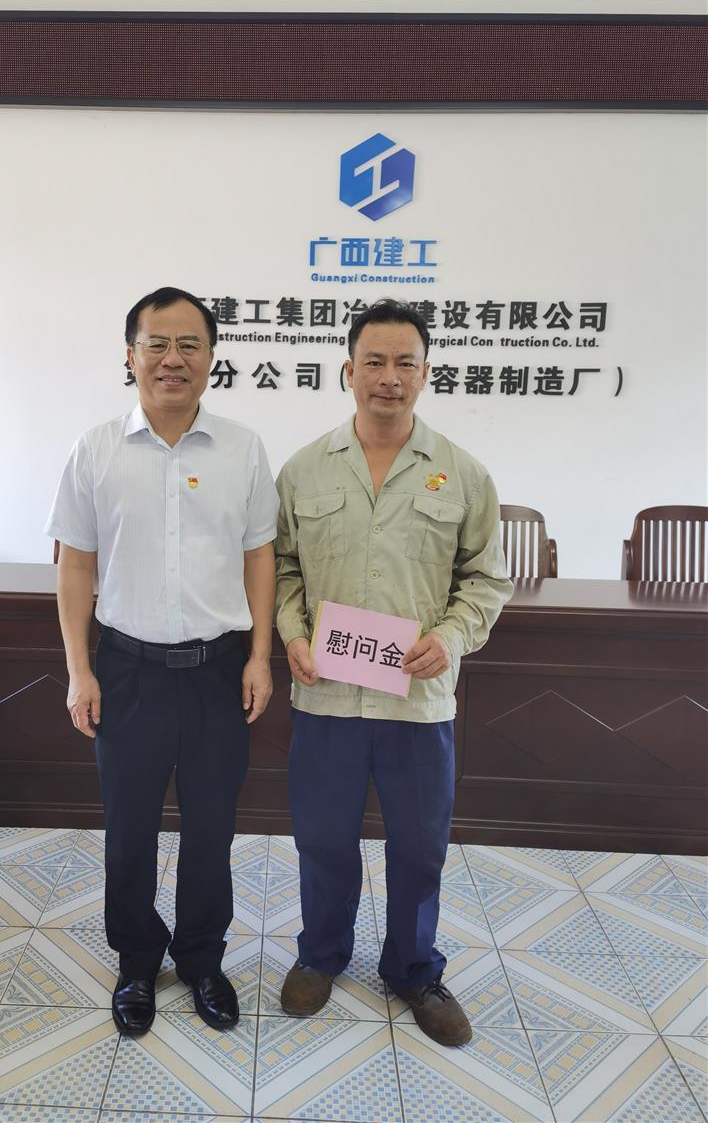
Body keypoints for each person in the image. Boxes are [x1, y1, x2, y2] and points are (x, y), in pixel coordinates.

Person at [274, 299, 512, 1046]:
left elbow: (486, 579)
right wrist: (292, 632)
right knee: (322, 837)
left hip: (417, 700)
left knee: (418, 846)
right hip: (327, 694)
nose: (388, 377)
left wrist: (451, 635)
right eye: (373, 362)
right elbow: (280, 568)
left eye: (404, 362)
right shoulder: (304, 469)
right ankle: (321, 954)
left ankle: (413, 969)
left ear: (425, 372)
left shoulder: (462, 474)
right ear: (348, 371)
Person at [46, 287, 278, 1037]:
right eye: (157, 344)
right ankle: (137, 961)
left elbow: (260, 558)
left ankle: (203, 959)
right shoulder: (94, 449)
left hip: (218, 670)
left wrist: (260, 656)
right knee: (129, 831)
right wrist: (80, 670)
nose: (172, 359)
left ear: (211, 358)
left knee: (212, 828)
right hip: (128, 671)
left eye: (189, 345)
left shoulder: (243, 448)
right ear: (131, 355)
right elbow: (75, 566)